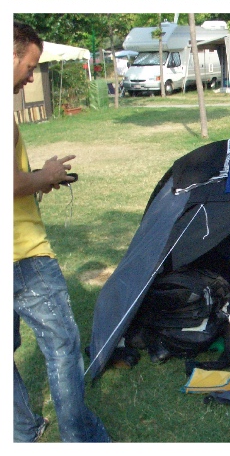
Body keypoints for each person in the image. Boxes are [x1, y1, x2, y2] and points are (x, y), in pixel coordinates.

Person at [13, 22, 110, 442]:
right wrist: (43, 176)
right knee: (63, 347)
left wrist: (39, 177)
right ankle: (81, 441)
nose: (32, 76)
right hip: (24, 256)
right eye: (30, 65)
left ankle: (20, 431)